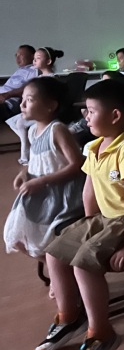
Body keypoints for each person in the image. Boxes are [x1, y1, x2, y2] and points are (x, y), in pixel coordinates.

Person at [39, 80, 124, 350]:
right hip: (108, 217)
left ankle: (101, 332)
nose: (86, 117)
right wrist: (85, 228)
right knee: (55, 251)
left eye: (92, 111)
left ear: (115, 115)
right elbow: (89, 192)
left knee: (84, 263)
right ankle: (69, 316)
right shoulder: (94, 147)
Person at [4, 78, 84, 260]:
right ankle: (54, 267)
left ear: (50, 106)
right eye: (22, 99)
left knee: (46, 239)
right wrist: (24, 172)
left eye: (30, 100)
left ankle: (59, 268)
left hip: (60, 194)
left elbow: (77, 164)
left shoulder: (57, 130)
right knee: (15, 235)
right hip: (40, 192)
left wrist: (42, 181)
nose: (22, 105)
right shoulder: (33, 131)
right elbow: (35, 160)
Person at [6, 47, 63, 164]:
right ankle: (27, 142)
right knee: (11, 121)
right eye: (34, 59)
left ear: (48, 61)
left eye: (38, 58)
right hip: (35, 108)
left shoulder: (52, 78)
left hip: (44, 111)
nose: (34, 61)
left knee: (20, 123)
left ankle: (25, 156)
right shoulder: (39, 78)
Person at [0, 44, 37, 120]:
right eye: (16, 55)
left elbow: (30, 89)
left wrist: (7, 94)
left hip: (6, 104)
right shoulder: (20, 70)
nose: (17, 58)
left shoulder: (34, 71)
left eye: (21, 55)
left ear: (32, 56)